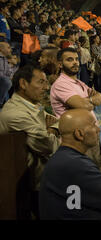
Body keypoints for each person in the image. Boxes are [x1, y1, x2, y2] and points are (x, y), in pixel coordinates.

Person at [39, 109, 101, 219]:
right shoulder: (72, 164)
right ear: (79, 134)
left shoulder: (67, 158)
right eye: (94, 125)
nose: (98, 129)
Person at [0, 64, 61, 218]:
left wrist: (52, 128)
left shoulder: (34, 105)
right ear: (23, 84)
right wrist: (54, 130)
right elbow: (49, 145)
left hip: (44, 181)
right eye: (41, 82)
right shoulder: (14, 113)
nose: (46, 87)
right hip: (31, 188)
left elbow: (58, 122)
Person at [50, 48, 101, 119]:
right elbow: (86, 106)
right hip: (74, 129)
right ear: (60, 64)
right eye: (70, 60)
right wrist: (91, 100)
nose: (75, 62)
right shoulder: (60, 84)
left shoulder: (79, 82)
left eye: (76, 59)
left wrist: (85, 101)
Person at [0, 41, 19, 106]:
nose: (10, 50)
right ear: (1, 49)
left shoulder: (4, 59)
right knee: (7, 81)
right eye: (8, 48)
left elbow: (8, 73)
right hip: (2, 81)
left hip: (3, 83)